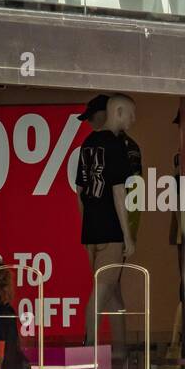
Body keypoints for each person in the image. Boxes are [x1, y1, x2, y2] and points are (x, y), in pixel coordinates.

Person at [76, 94, 136, 348]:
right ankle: (88, 346)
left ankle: (122, 350)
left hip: (91, 230)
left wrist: (87, 221)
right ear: (119, 112)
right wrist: (127, 235)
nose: (133, 120)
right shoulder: (116, 145)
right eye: (131, 114)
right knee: (102, 290)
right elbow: (118, 191)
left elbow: (79, 190)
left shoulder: (88, 143)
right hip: (110, 230)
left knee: (111, 291)